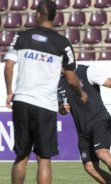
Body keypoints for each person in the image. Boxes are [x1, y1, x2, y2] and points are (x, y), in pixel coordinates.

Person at [4, 0, 87, 183]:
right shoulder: (62, 43)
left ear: (37, 14)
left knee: (21, 155)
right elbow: (72, 79)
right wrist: (81, 94)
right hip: (45, 105)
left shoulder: (21, 36)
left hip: (22, 101)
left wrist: (10, 92)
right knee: (44, 158)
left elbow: (8, 66)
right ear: (55, 16)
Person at [58, 64, 111, 184]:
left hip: (99, 120)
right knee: (90, 167)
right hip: (82, 129)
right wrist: (62, 108)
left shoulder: (87, 71)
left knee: (102, 153)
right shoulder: (57, 82)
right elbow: (61, 108)